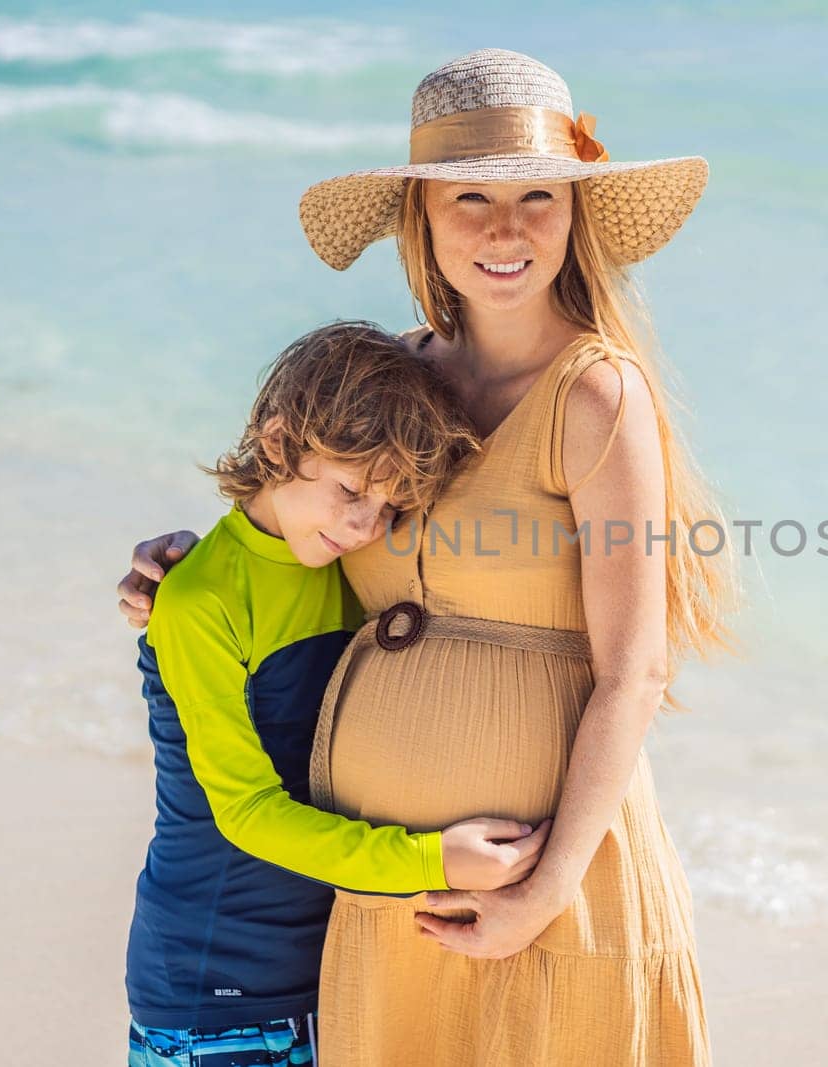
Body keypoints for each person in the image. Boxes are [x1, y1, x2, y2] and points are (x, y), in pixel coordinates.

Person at [118, 49, 736, 1065]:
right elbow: (299, 533)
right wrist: (183, 570)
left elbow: (636, 671)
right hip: (387, 903)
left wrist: (541, 894)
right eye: (468, 199)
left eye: (538, 194)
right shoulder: (394, 380)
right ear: (421, 217)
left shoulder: (596, 395)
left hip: (545, 887)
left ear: (575, 214)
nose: (505, 229)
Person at [123, 321, 553, 1067]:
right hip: (214, 980)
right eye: (350, 490)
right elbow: (248, 813)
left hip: (320, 966)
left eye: (388, 511)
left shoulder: (343, 570)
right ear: (280, 441)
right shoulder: (200, 601)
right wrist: (432, 860)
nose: (362, 527)